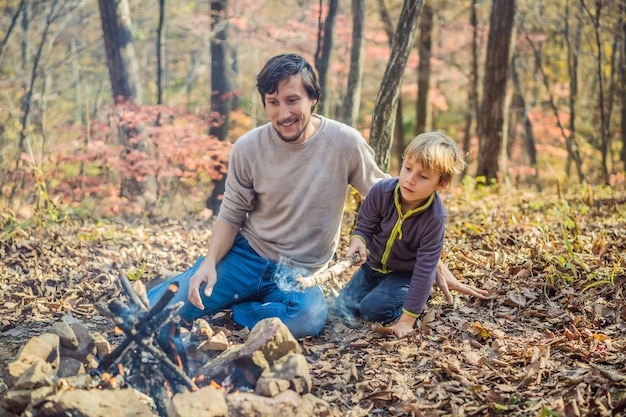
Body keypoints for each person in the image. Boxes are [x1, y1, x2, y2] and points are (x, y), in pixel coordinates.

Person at [146, 53, 485, 339]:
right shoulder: (247, 148)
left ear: (313, 99)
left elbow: (395, 198)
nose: (283, 113)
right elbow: (231, 214)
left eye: (292, 100)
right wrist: (209, 263)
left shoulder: (345, 143)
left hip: (302, 272)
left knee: (310, 319)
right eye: (273, 102)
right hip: (247, 256)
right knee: (154, 311)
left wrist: (432, 262)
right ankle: (199, 289)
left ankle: (243, 308)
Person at [333, 132, 467, 338]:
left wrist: (407, 320)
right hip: (371, 269)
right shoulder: (381, 192)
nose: (410, 180)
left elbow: (425, 269)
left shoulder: (434, 217)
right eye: (408, 168)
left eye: (422, 176)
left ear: (441, 184)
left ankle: (417, 298)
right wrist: (358, 240)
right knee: (342, 308)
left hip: (404, 276)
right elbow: (364, 227)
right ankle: (384, 293)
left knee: (371, 310)